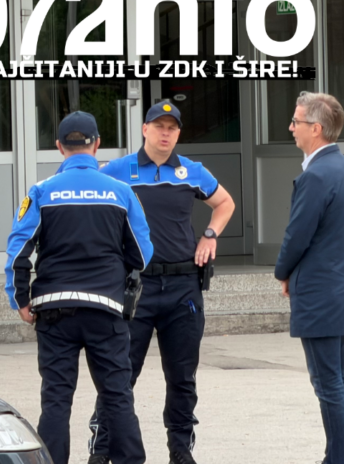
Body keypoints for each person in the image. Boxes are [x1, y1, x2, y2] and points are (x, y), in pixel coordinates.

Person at [88, 101, 236, 464]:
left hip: (183, 288)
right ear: (145, 129)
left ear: (178, 133)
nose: (165, 133)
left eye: (172, 128)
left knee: (182, 377)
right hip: (135, 288)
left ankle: (180, 450)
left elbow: (225, 203)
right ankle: (102, 449)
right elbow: (92, 206)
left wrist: (210, 235)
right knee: (120, 375)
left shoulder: (192, 171)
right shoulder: (118, 170)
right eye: (159, 126)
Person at [5, 111, 153, 464]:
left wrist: (20, 299)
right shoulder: (121, 192)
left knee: (56, 399)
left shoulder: (41, 191)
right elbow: (142, 254)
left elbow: (18, 252)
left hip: (54, 309)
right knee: (117, 396)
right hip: (106, 308)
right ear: (97, 144)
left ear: (59, 147)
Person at [274, 91, 344, 464]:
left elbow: (297, 235)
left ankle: (337, 459)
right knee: (338, 381)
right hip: (342, 290)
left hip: (319, 294)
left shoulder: (316, 176)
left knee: (328, 385)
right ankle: (336, 456)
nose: (291, 127)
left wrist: (282, 272)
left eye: (296, 121)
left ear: (316, 128)